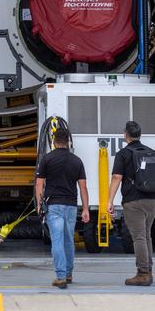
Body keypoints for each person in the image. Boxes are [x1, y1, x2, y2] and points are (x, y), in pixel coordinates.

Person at [105, 120, 155, 286]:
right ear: (140, 135)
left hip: (134, 201)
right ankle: (149, 270)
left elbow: (116, 177)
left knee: (139, 237)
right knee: (146, 235)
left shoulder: (123, 154)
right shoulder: (151, 151)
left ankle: (142, 273)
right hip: (152, 200)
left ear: (125, 135)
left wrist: (109, 200)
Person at [34, 123, 90, 289]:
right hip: (71, 206)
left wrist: (39, 204)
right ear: (68, 142)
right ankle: (68, 273)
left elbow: (39, 185)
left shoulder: (47, 159)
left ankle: (60, 276)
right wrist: (85, 208)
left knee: (57, 240)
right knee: (68, 240)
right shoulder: (77, 161)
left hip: (54, 206)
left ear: (53, 140)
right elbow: (83, 187)